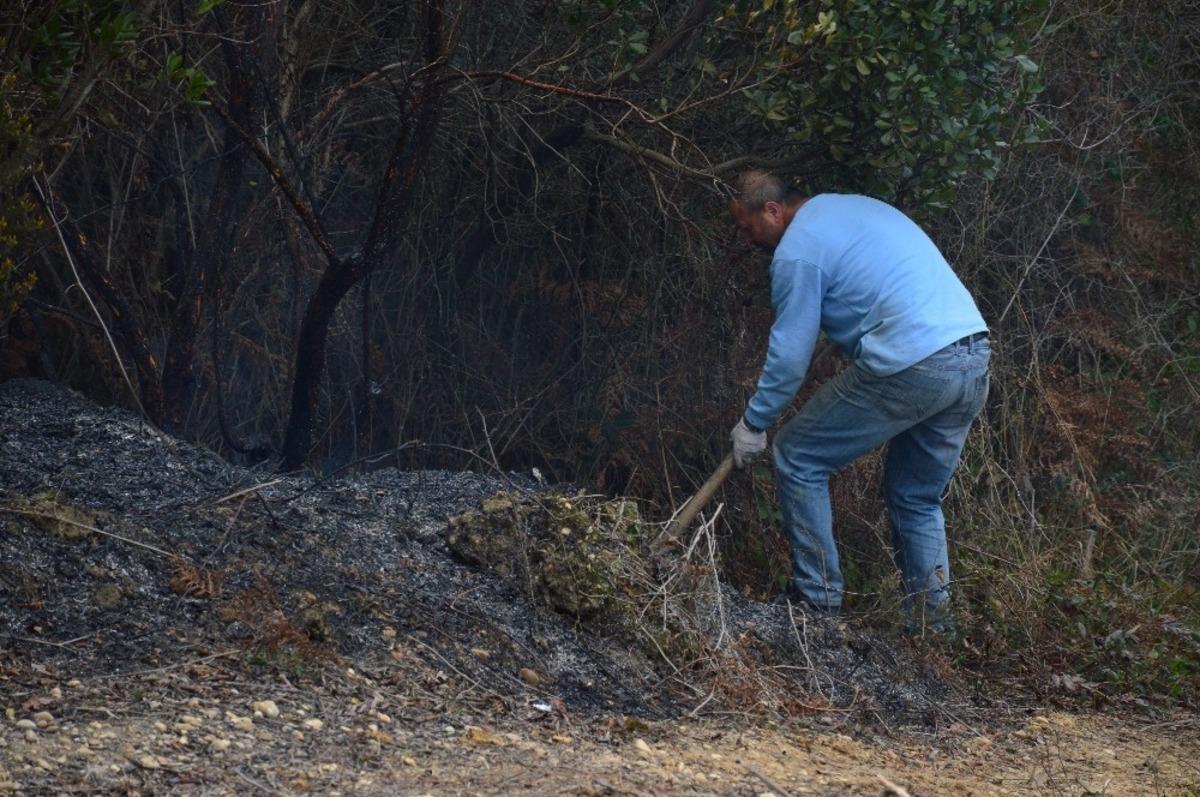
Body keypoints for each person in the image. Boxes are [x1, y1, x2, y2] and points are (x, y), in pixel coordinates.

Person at [727, 170, 990, 631]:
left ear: (772, 210)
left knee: (797, 454)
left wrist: (755, 423)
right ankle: (934, 631)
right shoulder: (848, 206)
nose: (746, 238)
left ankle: (817, 601)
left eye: (748, 227)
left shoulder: (797, 251)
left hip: (915, 364)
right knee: (916, 495)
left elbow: (789, 357)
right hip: (971, 356)